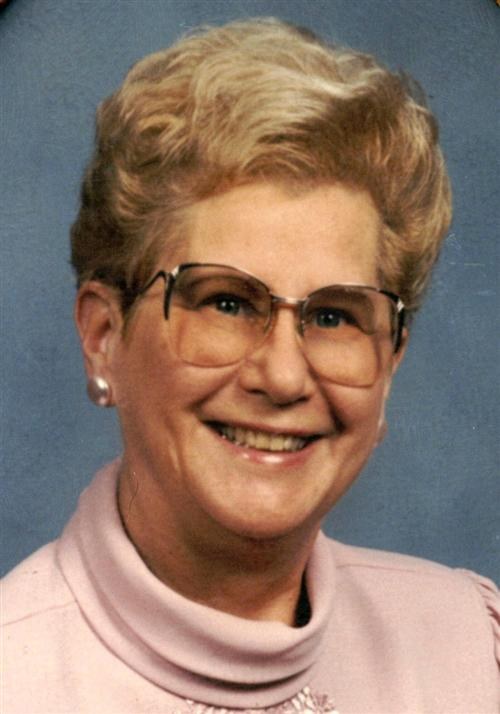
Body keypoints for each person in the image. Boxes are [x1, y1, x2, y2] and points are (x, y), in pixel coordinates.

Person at [2, 17, 498, 714]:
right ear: (104, 335)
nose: (284, 376)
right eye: (227, 303)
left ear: (390, 361)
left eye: (335, 316)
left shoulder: (474, 647)